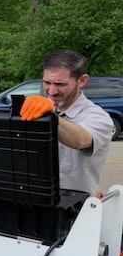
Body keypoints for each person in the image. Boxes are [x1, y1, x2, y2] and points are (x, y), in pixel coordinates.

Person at [20, 49, 112, 195]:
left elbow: (81, 140)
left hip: (74, 207)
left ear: (82, 80)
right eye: (47, 82)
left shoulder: (98, 116)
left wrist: (50, 116)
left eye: (60, 84)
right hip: (36, 199)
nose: (51, 91)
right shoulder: (37, 111)